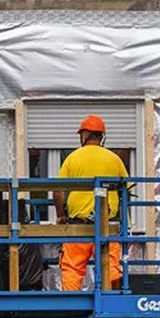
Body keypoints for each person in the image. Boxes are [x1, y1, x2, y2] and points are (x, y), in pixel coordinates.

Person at [53, 115, 129, 291]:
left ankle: (71, 308)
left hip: (78, 227)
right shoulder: (114, 159)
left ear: (85, 134)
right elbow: (127, 188)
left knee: (72, 268)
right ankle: (111, 304)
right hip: (108, 226)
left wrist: (61, 215)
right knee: (111, 268)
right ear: (102, 136)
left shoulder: (73, 158)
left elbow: (58, 191)